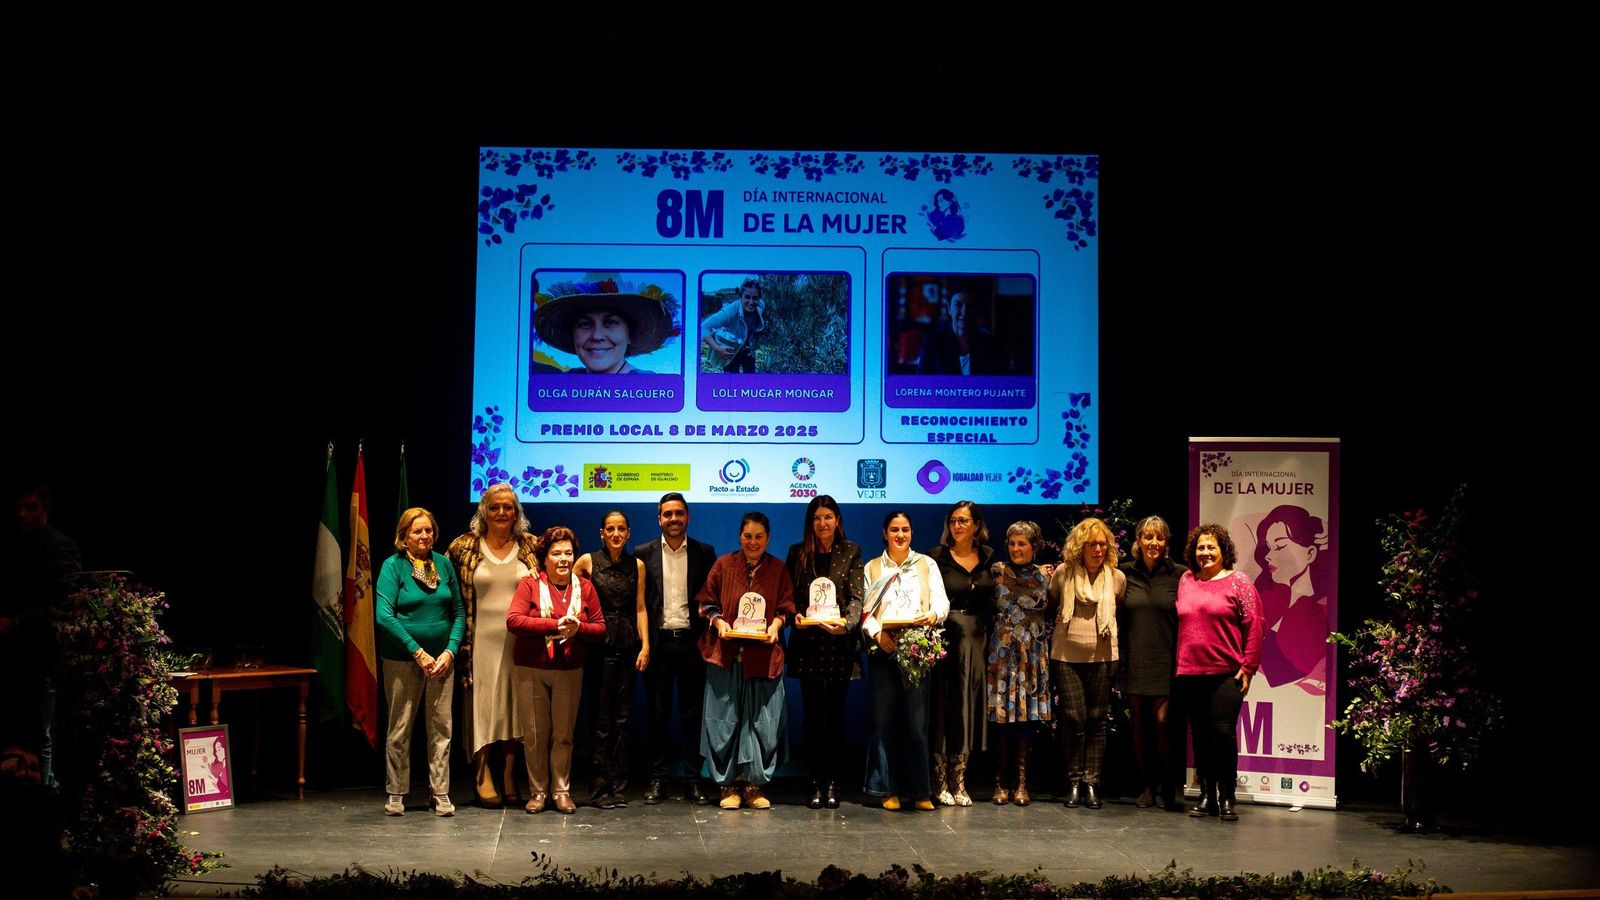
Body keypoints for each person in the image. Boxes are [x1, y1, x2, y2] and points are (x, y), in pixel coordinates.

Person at [447, 484, 539, 808]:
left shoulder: (530, 546)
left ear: (517, 512)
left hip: (521, 641)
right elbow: (446, 594)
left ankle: (510, 775)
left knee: (515, 707)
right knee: (483, 707)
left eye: (509, 507)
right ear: (484, 509)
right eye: (496, 507)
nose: (502, 513)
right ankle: (482, 774)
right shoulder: (463, 547)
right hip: (479, 643)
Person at [697, 511, 794, 809]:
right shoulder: (724, 565)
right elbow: (706, 603)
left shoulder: (778, 569)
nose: (753, 542)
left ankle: (753, 786)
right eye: (748, 536)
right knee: (725, 721)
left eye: (759, 536)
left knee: (761, 723)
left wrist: (777, 626)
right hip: (726, 658)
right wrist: (719, 624)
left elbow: (786, 608)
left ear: (768, 538)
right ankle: (728, 787)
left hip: (763, 660)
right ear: (740, 537)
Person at [507, 526, 605, 814]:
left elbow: (599, 627)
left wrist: (579, 629)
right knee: (536, 734)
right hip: (531, 667)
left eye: (568, 553)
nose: (564, 559)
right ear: (544, 557)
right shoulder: (529, 584)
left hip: (569, 669)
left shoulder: (584, 587)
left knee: (563, 734)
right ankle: (538, 792)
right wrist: (554, 625)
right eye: (557, 553)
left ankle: (561, 791)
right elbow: (514, 620)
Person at [375, 507, 465, 816]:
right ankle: (396, 792)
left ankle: (439, 792)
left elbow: (458, 611)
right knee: (399, 727)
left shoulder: (443, 565)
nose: (424, 535)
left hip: (442, 662)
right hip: (403, 659)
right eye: (417, 531)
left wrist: (450, 650)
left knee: (442, 727)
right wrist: (418, 652)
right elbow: (384, 616)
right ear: (404, 536)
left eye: (428, 530)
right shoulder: (393, 567)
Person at [1175, 524, 1263, 822]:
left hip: (1226, 673)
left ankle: (1227, 797)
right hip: (1190, 673)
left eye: (1211, 547)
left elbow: (1255, 626)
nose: (1206, 553)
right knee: (1200, 738)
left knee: (1222, 735)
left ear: (1224, 551)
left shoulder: (1239, 583)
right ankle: (1205, 796)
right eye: (1200, 547)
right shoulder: (1186, 580)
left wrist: (1248, 667)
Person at [862, 511, 949, 811]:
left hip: (916, 650)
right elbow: (865, 612)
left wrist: (933, 616)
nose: (901, 535)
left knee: (916, 724)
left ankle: (920, 790)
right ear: (884, 533)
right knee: (883, 723)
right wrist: (877, 636)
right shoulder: (873, 567)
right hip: (884, 651)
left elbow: (941, 602)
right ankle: (886, 788)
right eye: (895, 530)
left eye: (906, 530)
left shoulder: (926, 564)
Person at [635, 493, 718, 804]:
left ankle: (693, 780)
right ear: (659, 519)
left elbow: (711, 599)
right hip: (657, 645)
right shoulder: (642, 553)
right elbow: (640, 603)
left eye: (679, 514)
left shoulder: (704, 552)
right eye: (667, 514)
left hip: (692, 645)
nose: (673, 519)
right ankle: (657, 779)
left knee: (693, 715)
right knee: (656, 715)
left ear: (688, 517)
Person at [784, 495, 864, 809]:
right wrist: (795, 619)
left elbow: (857, 597)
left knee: (835, 718)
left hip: (839, 646)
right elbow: (788, 598)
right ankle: (814, 781)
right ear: (810, 522)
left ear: (837, 520)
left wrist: (848, 623)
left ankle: (833, 781)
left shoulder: (851, 551)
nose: (823, 523)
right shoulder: (797, 553)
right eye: (817, 518)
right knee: (813, 718)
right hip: (809, 645)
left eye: (828, 517)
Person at [5, 482, 81, 790]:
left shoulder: (59, 546)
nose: (22, 514)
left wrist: (18, 623)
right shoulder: (13, 546)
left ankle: (44, 802)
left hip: (43, 655)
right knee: (19, 732)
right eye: (19, 507)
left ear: (45, 510)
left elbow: (68, 604)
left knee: (40, 732)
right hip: (13, 655)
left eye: (31, 507)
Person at [573, 510, 649, 808]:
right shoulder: (588, 562)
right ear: (601, 533)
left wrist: (646, 647)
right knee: (601, 720)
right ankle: (598, 787)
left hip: (628, 644)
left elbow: (641, 608)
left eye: (621, 529)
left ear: (629, 532)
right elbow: (570, 598)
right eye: (610, 529)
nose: (616, 534)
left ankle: (619, 786)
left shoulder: (638, 565)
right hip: (598, 645)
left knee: (622, 718)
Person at [1048, 517, 1124, 810]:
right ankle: (1074, 782)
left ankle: (1092, 783)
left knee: (1097, 720)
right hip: (1067, 656)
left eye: (1102, 544)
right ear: (1080, 546)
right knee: (1073, 719)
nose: (1098, 549)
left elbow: (1122, 615)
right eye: (1092, 544)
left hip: (1104, 656)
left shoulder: (1116, 577)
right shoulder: (1063, 574)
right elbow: (1052, 606)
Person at [927, 500, 994, 806]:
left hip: (977, 642)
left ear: (976, 526)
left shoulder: (989, 560)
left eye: (964, 521)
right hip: (945, 639)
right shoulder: (935, 559)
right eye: (953, 521)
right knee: (943, 708)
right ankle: (939, 783)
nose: (957, 526)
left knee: (967, 710)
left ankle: (960, 782)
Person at [985, 520, 1056, 806]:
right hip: (1002, 654)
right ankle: (1001, 782)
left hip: (1032, 654)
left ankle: (1022, 783)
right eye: (1012, 543)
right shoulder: (997, 571)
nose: (1016, 548)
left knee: (1026, 719)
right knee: (1002, 719)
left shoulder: (1047, 575)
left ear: (1034, 546)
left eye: (1022, 543)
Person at [1118, 515, 1185, 811]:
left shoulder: (1180, 575)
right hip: (1134, 659)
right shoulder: (1123, 574)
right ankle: (1145, 785)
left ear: (1166, 543)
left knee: (1162, 725)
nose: (1153, 543)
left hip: (1166, 660)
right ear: (1138, 541)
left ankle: (1167, 786)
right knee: (1139, 727)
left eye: (1159, 538)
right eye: (1147, 537)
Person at [1250, 505, 1332, 694]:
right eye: (1269, 548)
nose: (1269, 555)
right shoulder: (1268, 599)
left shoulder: (1321, 610)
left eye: (1279, 546)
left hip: (1303, 711)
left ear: (1310, 553)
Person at [533, 284, 675, 374]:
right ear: (573, 335)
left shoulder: (648, 386)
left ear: (629, 335)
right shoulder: (561, 384)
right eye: (585, 324)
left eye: (610, 323)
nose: (597, 335)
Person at [916, 292, 1000, 375]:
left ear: (978, 310)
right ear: (949, 308)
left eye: (971, 306)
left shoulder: (992, 345)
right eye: (958, 305)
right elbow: (923, 384)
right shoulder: (931, 343)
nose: (964, 313)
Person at [700, 278, 767, 373]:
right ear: (741, 296)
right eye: (747, 297)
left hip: (749, 349)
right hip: (731, 350)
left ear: (759, 298)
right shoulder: (730, 311)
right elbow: (703, 328)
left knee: (751, 379)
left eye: (755, 298)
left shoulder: (760, 306)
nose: (751, 302)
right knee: (731, 380)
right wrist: (718, 349)